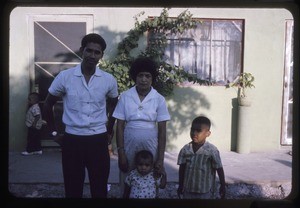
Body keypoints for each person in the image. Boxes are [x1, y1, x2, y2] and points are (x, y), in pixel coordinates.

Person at [42, 33, 119, 198]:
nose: (92, 55)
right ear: (82, 50)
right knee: (72, 189)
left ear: (101, 55)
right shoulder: (65, 77)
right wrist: (54, 133)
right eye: (89, 50)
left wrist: (109, 129)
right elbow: (48, 104)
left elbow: (115, 104)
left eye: (96, 52)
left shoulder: (108, 80)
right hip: (72, 140)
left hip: (98, 140)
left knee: (99, 189)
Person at [113, 56, 171, 196]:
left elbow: (162, 131)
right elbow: (119, 126)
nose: (143, 79)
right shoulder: (125, 96)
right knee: (127, 179)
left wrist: (160, 159)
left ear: (152, 78)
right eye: (140, 75)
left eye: (147, 76)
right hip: (129, 145)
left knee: (151, 179)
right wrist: (121, 153)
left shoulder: (159, 99)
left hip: (151, 145)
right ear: (135, 77)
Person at [177, 116, 226, 199]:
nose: (194, 133)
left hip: (204, 192)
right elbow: (182, 168)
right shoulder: (185, 149)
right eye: (192, 129)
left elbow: (219, 168)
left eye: (198, 130)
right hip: (188, 190)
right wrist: (181, 185)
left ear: (208, 134)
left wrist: (223, 186)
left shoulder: (212, 151)